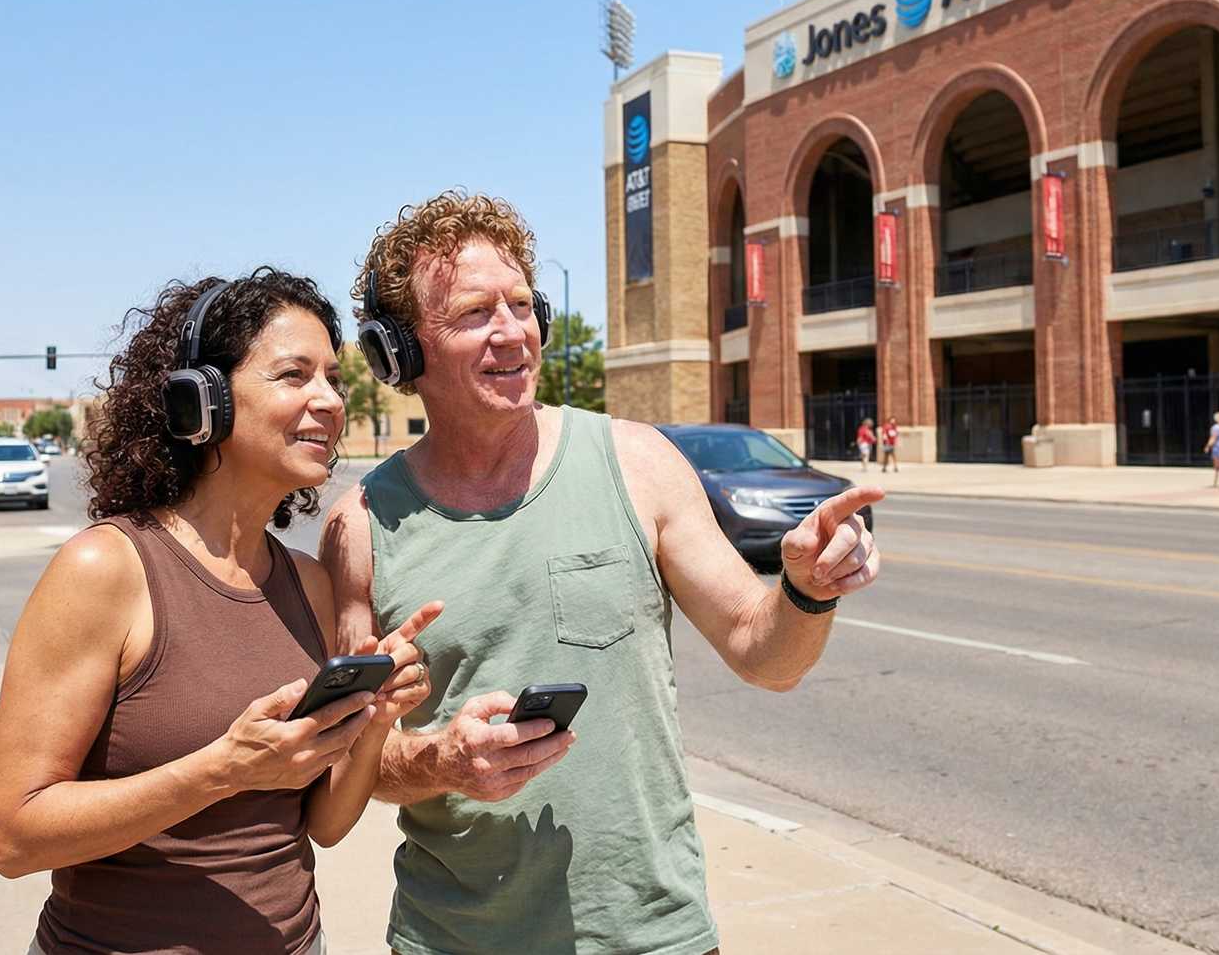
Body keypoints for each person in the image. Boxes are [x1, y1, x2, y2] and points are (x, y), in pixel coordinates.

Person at [322, 193, 881, 955]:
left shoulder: (638, 461)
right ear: (401, 354)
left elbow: (764, 654)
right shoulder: (361, 526)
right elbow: (351, 767)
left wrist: (806, 591)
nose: (512, 331)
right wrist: (442, 759)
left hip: (652, 933)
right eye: (475, 313)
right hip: (452, 939)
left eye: (522, 304)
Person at [0, 270, 441, 955]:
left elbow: (322, 822)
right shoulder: (106, 569)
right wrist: (223, 768)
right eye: (294, 375)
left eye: (334, 379)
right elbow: (13, 836)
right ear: (205, 401)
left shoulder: (311, 585)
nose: (329, 400)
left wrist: (373, 722)